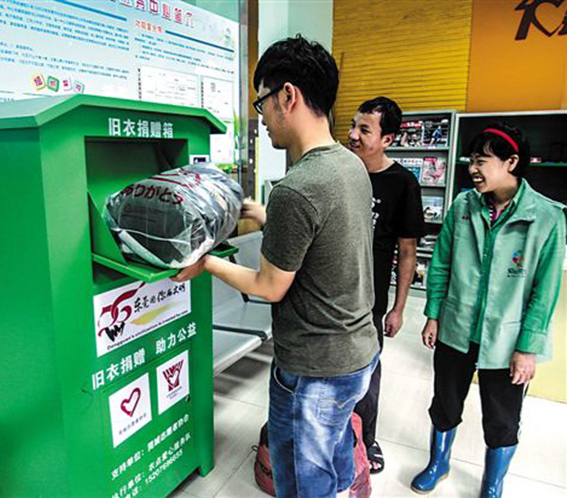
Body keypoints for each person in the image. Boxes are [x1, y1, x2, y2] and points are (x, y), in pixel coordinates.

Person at [174, 35, 380, 497]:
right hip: (356, 353)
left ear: (288, 95)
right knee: (335, 461)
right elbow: (323, 234)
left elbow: (269, 287)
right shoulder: (349, 166)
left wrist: (206, 264)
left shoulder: (297, 187)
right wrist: (259, 211)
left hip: (314, 369)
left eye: (261, 101)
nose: (262, 117)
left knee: (304, 484)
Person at [411, 123, 566, 497]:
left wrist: (527, 348)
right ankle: (438, 463)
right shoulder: (463, 206)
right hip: (456, 326)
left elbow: (545, 292)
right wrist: (433, 314)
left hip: (507, 339)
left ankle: (492, 483)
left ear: (511, 162)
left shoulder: (547, 217)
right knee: (445, 403)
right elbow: (441, 264)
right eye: (471, 161)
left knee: (502, 418)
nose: (472, 169)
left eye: (481, 161)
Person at [348, 97, 425, 473]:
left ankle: (366, 440)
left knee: (367, 375)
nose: (352, 135)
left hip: (371, 300)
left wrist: (398, 308)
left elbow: (407, 251)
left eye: (364, 129)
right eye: (353, 125)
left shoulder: (402, 183)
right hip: (332, 294)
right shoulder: (342, 171)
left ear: (388, 139)